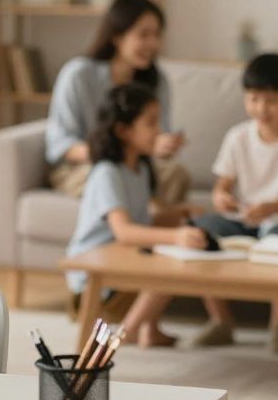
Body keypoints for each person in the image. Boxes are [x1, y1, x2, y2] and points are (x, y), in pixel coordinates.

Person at [192, 53, 278, 353]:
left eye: (271, 101)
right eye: (253, 99)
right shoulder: (238, 137)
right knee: (197, 235)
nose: (261, 109)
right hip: (244, 219)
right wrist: (222, 198)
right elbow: (221, 186)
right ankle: (220, 320)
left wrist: (271, 208)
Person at [64, 83, 209, 347]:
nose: (159, 131)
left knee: (174, 254)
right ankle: (126, 334)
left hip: (120, 265)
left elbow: (144, 220)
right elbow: (125, 231)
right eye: (151, 123)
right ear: (123, 130)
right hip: (95, 284)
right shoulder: (107, 172)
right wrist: (175, 236)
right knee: (168, 270)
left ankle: (149, 329)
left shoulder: (139, 169)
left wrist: (181, 216)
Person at [45, 0, 190, 205]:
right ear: (117, 36)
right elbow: (60, 145)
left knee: (175, 174)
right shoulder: (78, 75)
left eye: (157, 35)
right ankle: (142, 225)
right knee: (115, 177)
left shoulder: (157, 81)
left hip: (138, 164)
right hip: (88, 165)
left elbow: (159, 135)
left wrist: (163, 145)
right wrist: (116, 154)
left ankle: (157, 227)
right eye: (144, 34)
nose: (153, 43)